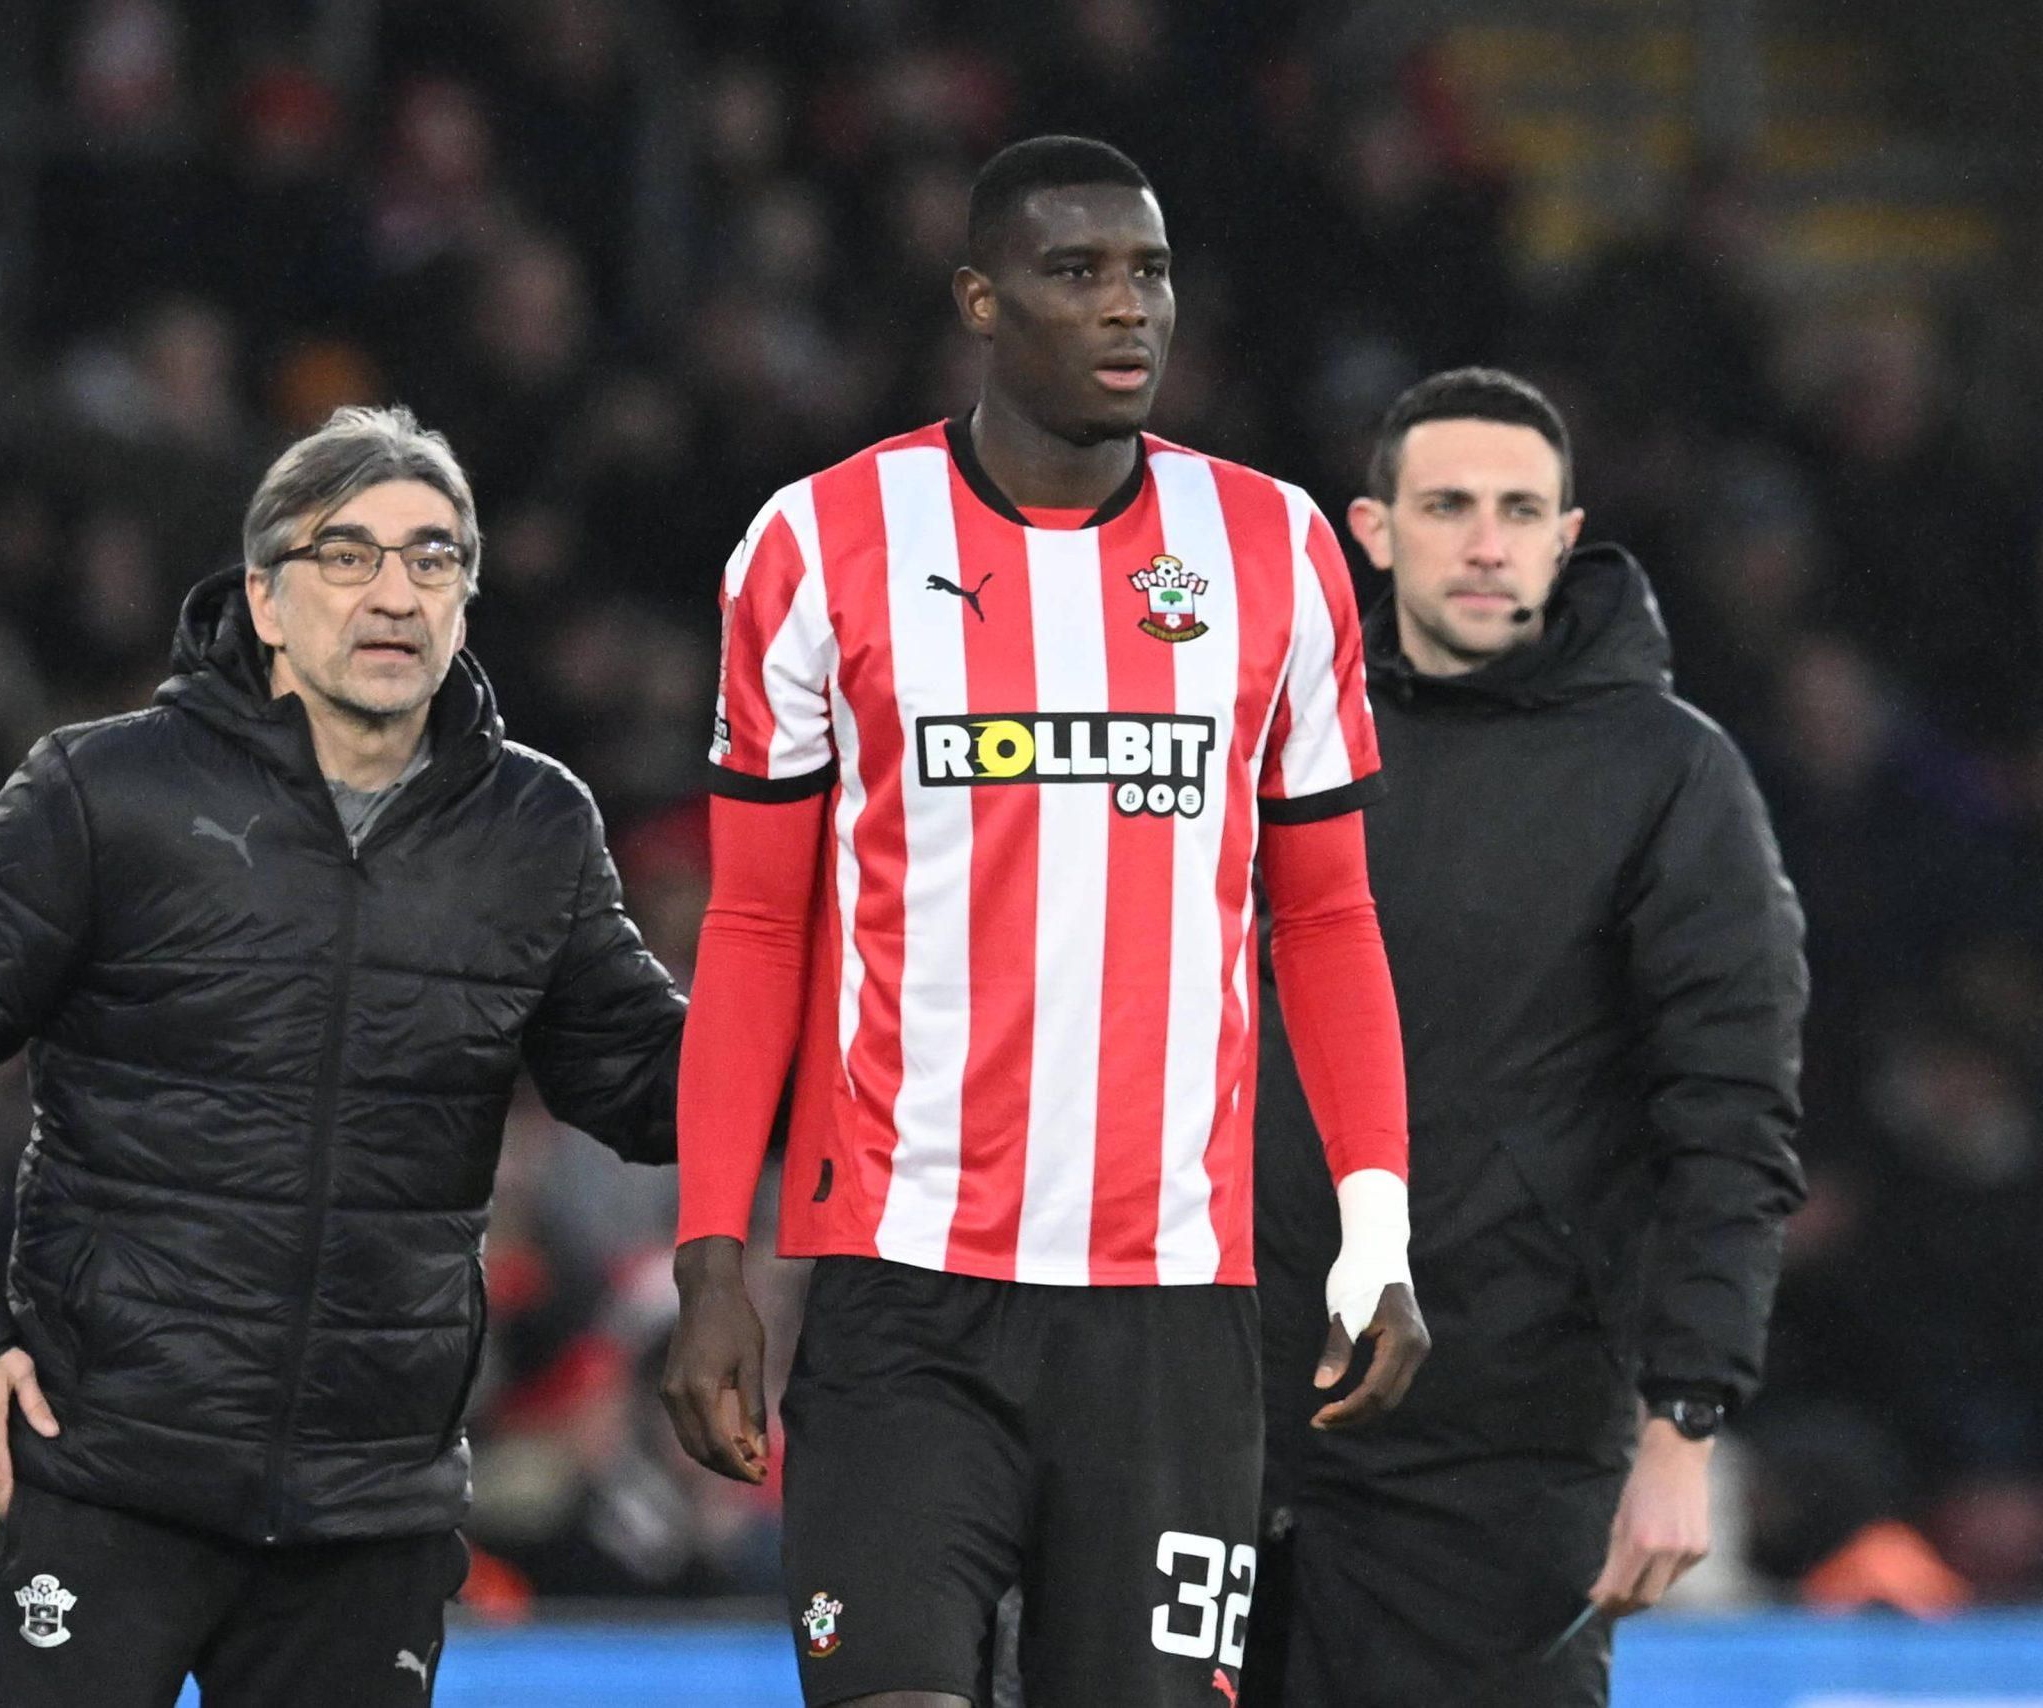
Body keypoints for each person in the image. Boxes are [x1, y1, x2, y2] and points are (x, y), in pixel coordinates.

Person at [662, 135, 1430, 1708]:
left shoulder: (1276, 551)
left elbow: (1331, 922)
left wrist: (1377, 1229)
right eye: (1075, 273)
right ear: (980, 302)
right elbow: (752, 930)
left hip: (1172, 1309)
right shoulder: (817, 543)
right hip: (898, 1287)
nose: (1125, 307)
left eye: (1147, 271)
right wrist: (711, 1259)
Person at [0, 404, 683, 1708]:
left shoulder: (535, 825)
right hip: (114, 1468)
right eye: (348, 556)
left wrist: (857, 1035)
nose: (396, 592)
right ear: (265, 601)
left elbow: (637, 1078)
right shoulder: (108, 791)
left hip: (372, 1504)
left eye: (435, 558)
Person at [1241, 369, 1807, 1708]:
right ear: (1372, 530)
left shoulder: (1671, 776)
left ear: (1568, 534)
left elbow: (1731, 1121)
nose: (1486, 543)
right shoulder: (1273, 738)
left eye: (1519, 510)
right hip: (1224, 1418)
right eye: (1448, 507)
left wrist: (1686, 1426)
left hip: (1505, 1446)